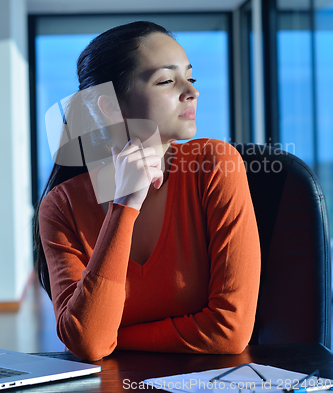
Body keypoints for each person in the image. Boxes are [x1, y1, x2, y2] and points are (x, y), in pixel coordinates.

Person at [34, 21, 261, 361]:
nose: (192, 91)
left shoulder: (214, 165)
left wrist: (116, 337)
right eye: (167, 80)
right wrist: (124, 205)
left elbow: (229, 331)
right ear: (108, 106)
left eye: (191, 77)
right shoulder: (62, 206)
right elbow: (90, 343)